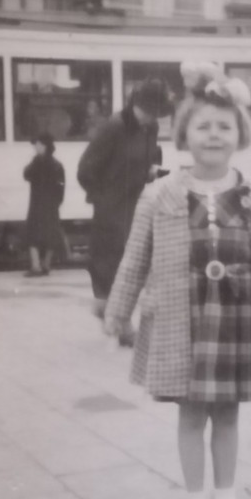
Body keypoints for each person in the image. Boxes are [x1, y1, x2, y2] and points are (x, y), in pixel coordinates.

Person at [104, 63, 251, 499]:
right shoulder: (160, 193)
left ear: (240, 134)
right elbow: (134, 259)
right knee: (191, 416)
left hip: (236, 323)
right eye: (203, 126)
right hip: (180, 323)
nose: (214, 135)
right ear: (185, 134)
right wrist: (117, 312)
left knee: (228, 415)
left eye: (224, 127)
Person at [77, 80, 165, 338]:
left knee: (134, 260)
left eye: (156, 112)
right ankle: (118, 320)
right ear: (136, 105)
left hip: (138, 201)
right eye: (148, 111)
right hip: (112, 208)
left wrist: (150, 171)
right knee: (115, 261)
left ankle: (114, 316)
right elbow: (85, 170)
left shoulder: (150, 126)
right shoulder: (114, 127)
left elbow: (147, 157)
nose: (152, 117)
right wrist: (103, 199)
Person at [21, 133, 66, 277]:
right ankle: (46, 265)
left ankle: (36, 266)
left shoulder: (36, 163)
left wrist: (34, 161)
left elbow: (26, 175)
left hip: (37, 204)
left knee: (33, 235)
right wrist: (56, 203)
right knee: (51, 235)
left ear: (44, 146)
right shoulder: (58, 165)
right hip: (51, 205)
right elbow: (61, 188)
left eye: (37, 144)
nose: (35, 147)